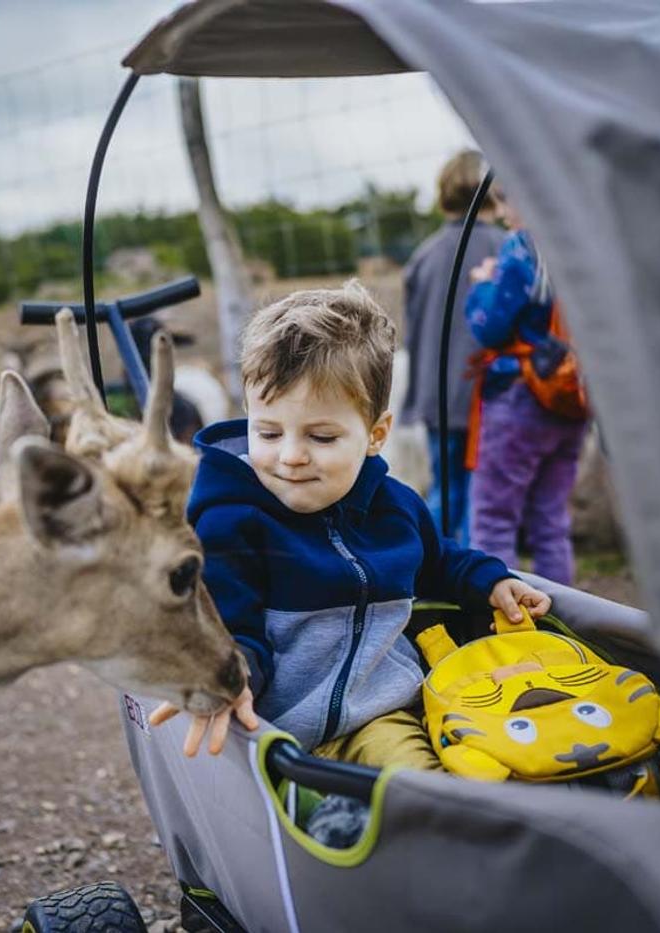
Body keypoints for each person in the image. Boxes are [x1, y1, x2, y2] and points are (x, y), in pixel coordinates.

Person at [149, 282, 551, 773]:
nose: (291, 456)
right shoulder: (231, 522)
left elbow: (440, 560)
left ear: (375, 435)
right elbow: (231, 627)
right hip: (273, 730)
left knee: (429, 784)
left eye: (321, 436)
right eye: (268, 432)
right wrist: (229, 678)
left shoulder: (395, 507)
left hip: (383, 715)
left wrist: (491, 580)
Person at [464, 193, 587, 582]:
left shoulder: (521, 247)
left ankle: (500, 622)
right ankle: (564, 618)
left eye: (506, 200)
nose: (500, 213)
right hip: (570, 396)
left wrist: (483, 285)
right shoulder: (582, 244)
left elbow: (490, 326)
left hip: (520, 394)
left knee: (494, 520)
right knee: (550, 521)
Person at [400, 150, 507, 542]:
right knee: (486, 497)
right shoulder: (507, 248)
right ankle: (477, 585)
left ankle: (431, 578)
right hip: (492, 395)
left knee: (444, 493)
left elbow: (411, 333)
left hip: (438, 397)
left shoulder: (423, 255)